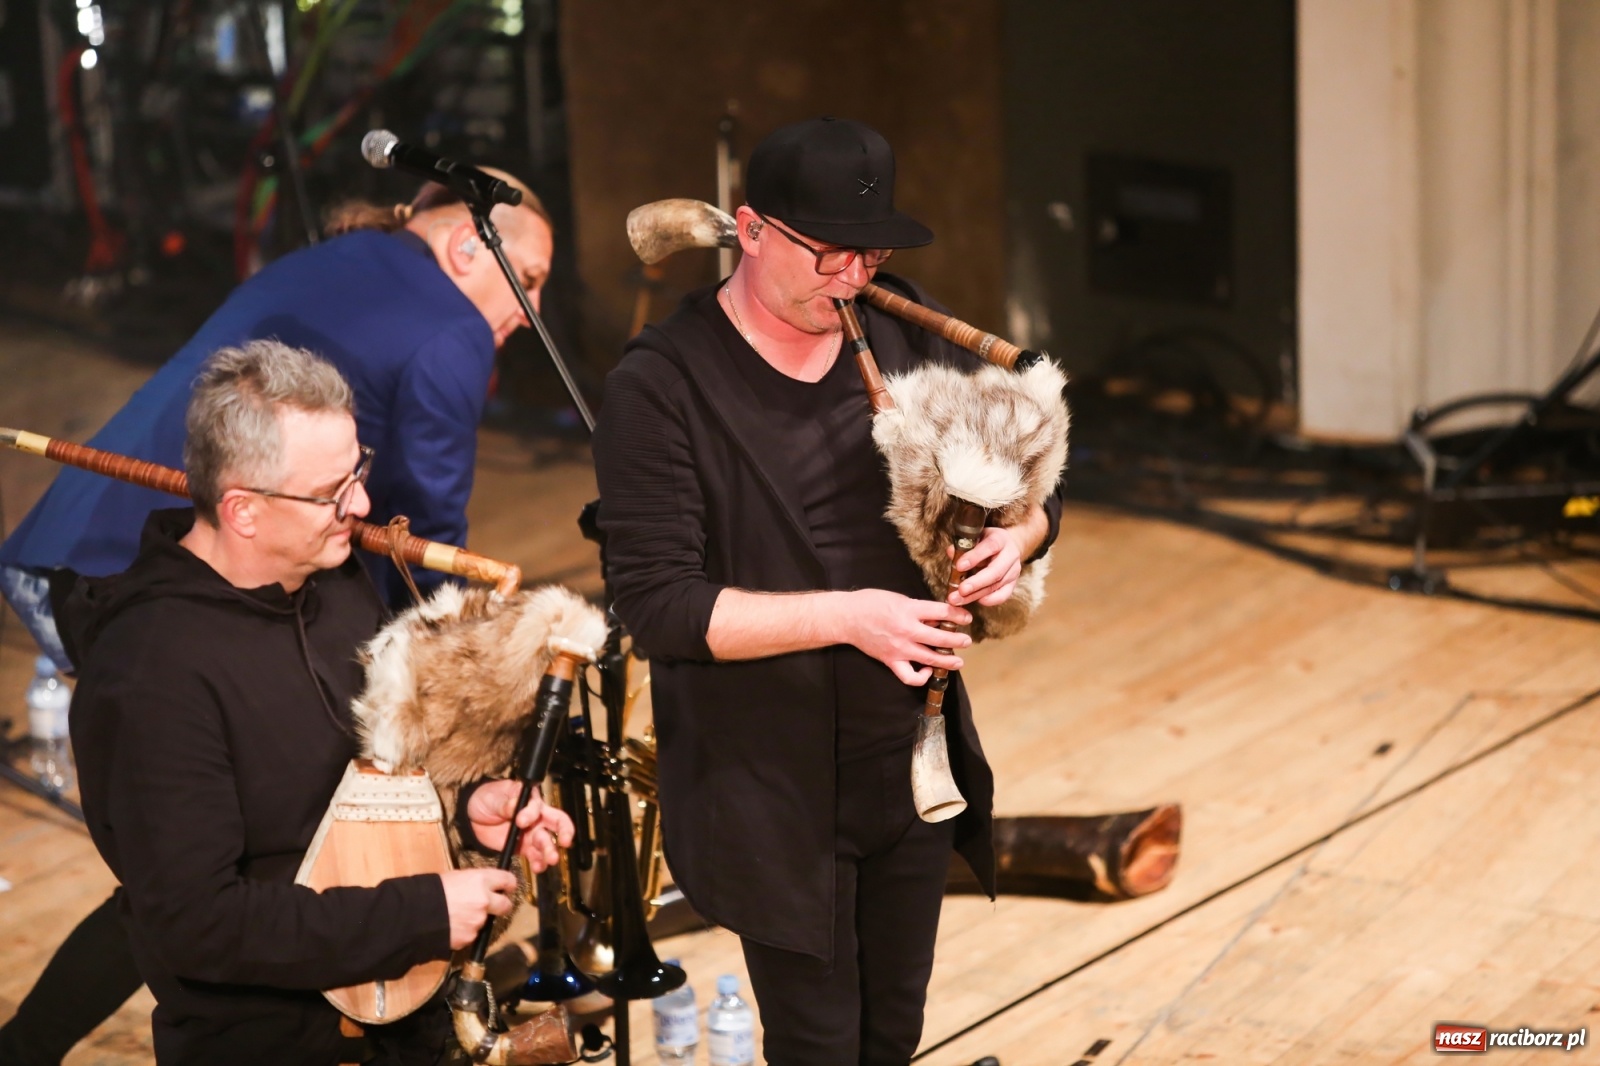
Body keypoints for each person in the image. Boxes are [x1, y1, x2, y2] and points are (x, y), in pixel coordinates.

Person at [0, 174, 554, 1065]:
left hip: (169, 550)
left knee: (234, 814)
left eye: (360, 471)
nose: (367, 504)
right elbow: (197, 917)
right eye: (527, 278)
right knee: (184, 847)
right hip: (270, 1025)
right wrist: (419, 909)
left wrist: (464, 810)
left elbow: (353, 789)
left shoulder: (331, 588)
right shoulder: (158, 670)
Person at [592, 117, 1064, 1064]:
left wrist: (1021, 536)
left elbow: (1035, 480)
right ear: (751, 229)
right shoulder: (661, 385)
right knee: (816, 1046)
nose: (853, 276)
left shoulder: (892, 324)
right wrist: (852, 617)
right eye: (831, 254)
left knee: (892, 1036)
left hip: (909, 754)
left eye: (871, 254)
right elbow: (660, 606)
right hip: (770, 779)